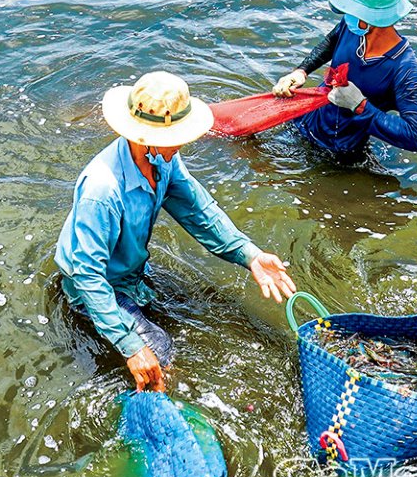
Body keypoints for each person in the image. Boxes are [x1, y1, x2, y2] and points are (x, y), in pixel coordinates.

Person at [55, 71, 296, 391]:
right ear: (143, 137)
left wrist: (248, 254)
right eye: (175, 136)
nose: (183, 142)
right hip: (94, 290)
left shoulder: (163, 159)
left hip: (131, 274)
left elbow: (198, 210)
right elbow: (87, 276)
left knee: (204, 312)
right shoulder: (103, 190)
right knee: (160, 356)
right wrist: (131, 348)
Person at [272, 0, 417, 161]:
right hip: (306, 120)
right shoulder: (353, 27)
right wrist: (301, 71)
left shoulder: (404, 68)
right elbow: (332, 40)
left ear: (368, 20)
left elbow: (415, 136)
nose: (347, 16)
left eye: (352, 11)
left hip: (338, 154)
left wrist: (360, 106)